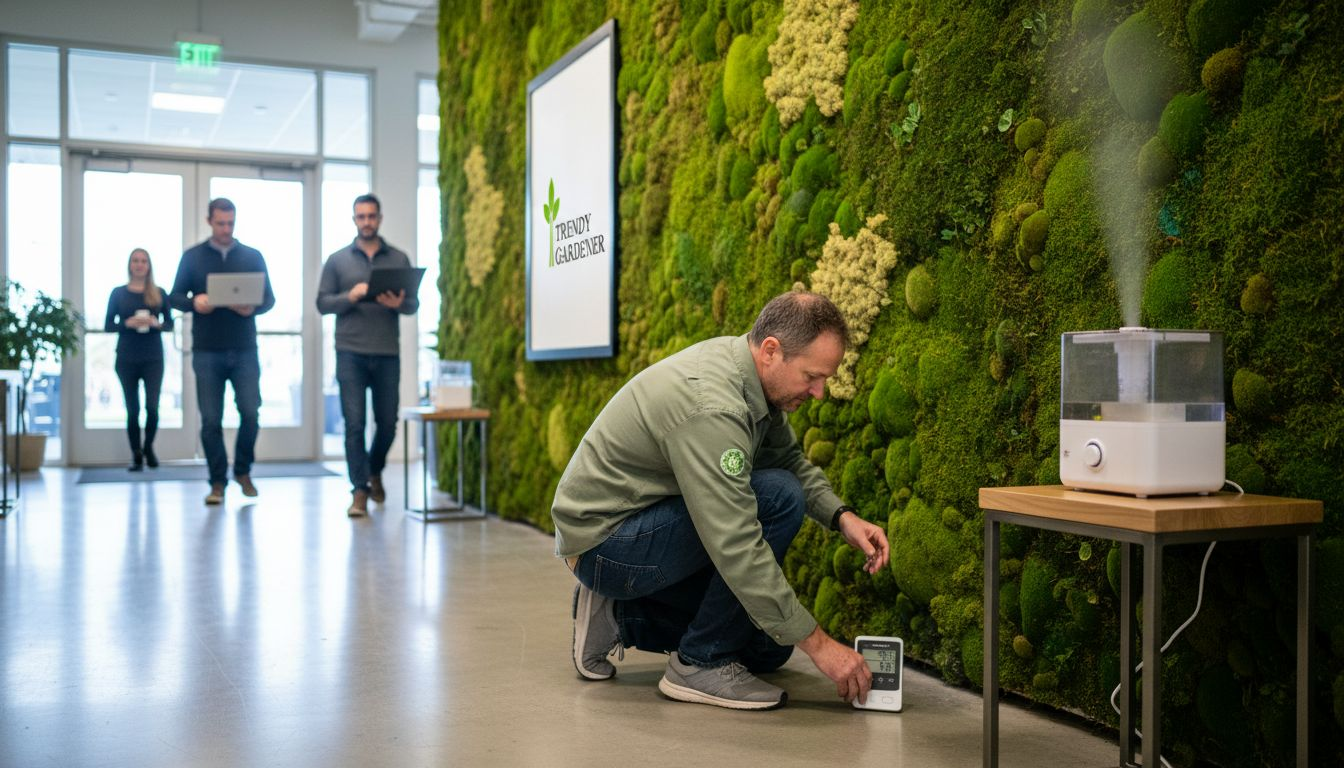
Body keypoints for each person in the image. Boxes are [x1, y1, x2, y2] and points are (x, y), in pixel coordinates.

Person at [551, 291, 891, 711]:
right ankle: (698, 665)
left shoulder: (751, 378)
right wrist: (821, 647)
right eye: (812, 376)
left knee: (769, 648)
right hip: (605, 542)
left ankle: (619, 617)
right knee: (780, 497)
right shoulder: (713, 406)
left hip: (639, 523)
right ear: (771, 351)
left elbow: (787, 459)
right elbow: (735, 543)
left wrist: (843, 518)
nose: (820, 392)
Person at [316, 194, 419, 517]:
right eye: (361, 216)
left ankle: (373, 471)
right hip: (350, 353)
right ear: (354, 220)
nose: (366, 222)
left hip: (387, 352)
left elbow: (413, 304)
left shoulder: (399, 258)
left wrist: (397, 304)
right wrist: (351, 295)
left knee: (387, 424)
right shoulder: (337, 260)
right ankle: (359, 490)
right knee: (354, 424)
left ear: (380, 218)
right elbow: (322, 304)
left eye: (371, 216)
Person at [168, 198, 275, 506]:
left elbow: (269, 300)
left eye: (231, 223)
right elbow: (174, 296)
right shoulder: (193, 257)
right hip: (207, 350)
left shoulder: (253, 257)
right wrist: (195, 302)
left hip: (244, 349)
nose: (226, 229)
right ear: (209, 221)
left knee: (251, 413)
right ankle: (217, 482)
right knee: (211, 420)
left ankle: (242, 471)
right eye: (221, 223)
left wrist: (252, 307)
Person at [103, 248, 173, 471]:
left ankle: (149, 447)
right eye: (135, 260)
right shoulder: (118, 293)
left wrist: (156, 324)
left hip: (153, 357)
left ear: (149, 265)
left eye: (143, 261)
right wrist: (127, 324)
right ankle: (136, 454)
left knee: (152, 407)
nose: (139, 264)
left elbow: (170, 324)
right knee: (132, 410)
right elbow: (108, 325)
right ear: (129, 264)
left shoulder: (159, 293)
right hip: (126, 357)